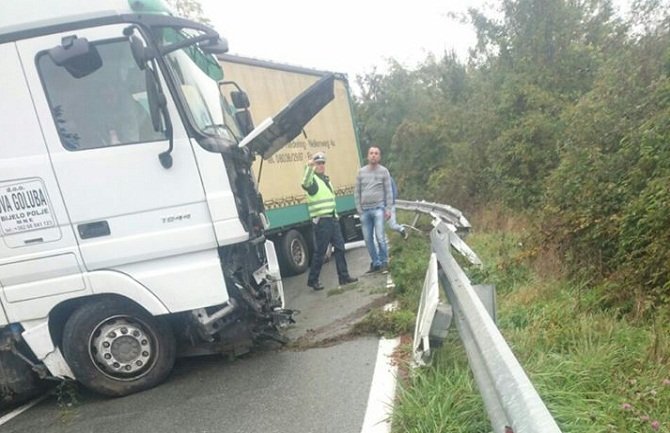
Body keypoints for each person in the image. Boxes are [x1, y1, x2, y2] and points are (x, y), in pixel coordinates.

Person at [302, 152, 358, 291]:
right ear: (314, 166)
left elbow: (331, 200)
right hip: (322, 221)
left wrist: (336, 215)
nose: (320, 166)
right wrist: (309, 168)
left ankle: (344, 277)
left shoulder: (326, 180)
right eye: (318, 163)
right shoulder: (312, 180)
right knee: (321, 252)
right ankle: (313, 280)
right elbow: (305, 183)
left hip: (332, 219)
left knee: (340, 248)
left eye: (322, 163)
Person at [355, 146, 393, 273]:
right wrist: (359, 209)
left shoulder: (384, 171)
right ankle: (375, 262)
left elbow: (388, 191)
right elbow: (357, 192)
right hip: (365, 211)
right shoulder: (361, 172)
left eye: (376, 153)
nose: (373, 155)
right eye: (371, 153)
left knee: (380, 237)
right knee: (367, 239)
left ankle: (384, 261)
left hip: (379, 209)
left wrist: (388, 209)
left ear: (379, 157)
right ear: (367, 156)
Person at [387, 176, 408, 240]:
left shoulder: (389, 179)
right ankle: (401, 229)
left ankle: (402, 229)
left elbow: (394, 191)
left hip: (389, 206)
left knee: (392, 225)